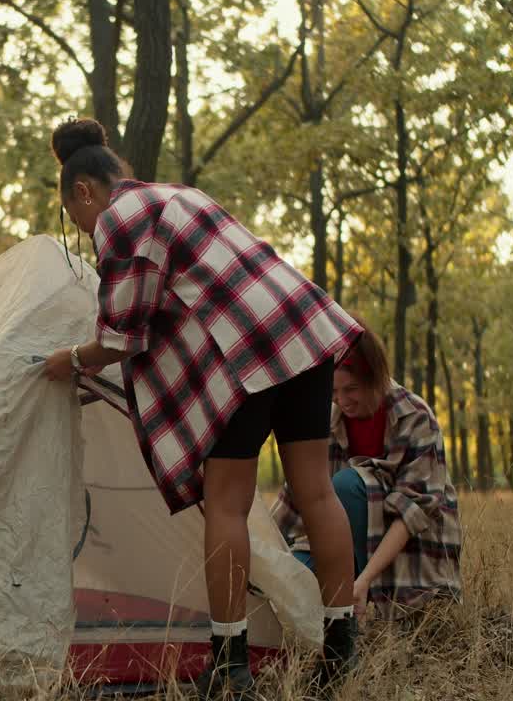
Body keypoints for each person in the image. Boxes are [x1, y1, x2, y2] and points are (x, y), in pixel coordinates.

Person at [42, 118, 362, 698]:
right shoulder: (181, 195)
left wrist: (70, 360)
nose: (85, 232)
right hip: (302, 328)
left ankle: (230, 666)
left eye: (74, 217)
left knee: (226, 504)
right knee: (317, 492)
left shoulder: (119, 217)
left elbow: (121, 337)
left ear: (84, 191)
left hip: (246, 352)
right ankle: (342, 650)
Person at [273, 321, 461, 620]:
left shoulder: (415, 417)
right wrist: (264, 555)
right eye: (333, 391)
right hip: (346, 542)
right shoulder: (329, 421)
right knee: (289, 580)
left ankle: (359, 601)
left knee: (348, 484)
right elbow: (296, 494)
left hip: (408, 549)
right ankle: (339, 603)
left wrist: (363, 581)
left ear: (376, 377)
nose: (342, 401)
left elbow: (412, 514)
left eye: (351, 389)